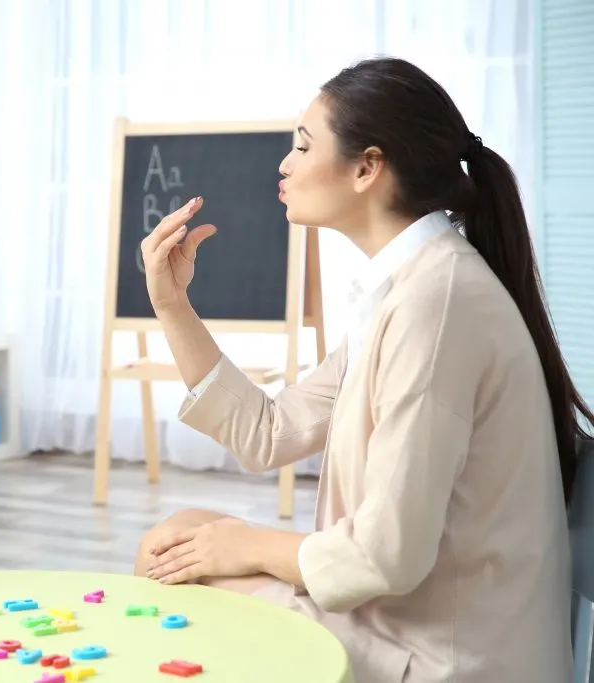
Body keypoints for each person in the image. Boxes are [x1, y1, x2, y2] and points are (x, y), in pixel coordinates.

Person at [133, 56, 591, 683]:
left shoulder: (437, 303)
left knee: (174, 555)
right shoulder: (410, 288)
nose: (284, 165)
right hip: (403, 623)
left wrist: (243, 543)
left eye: (301, 145)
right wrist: (171, 304)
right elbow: (270, 432)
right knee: (183, 533)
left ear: (367, 167)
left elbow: (385, 558)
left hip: (443, 657)